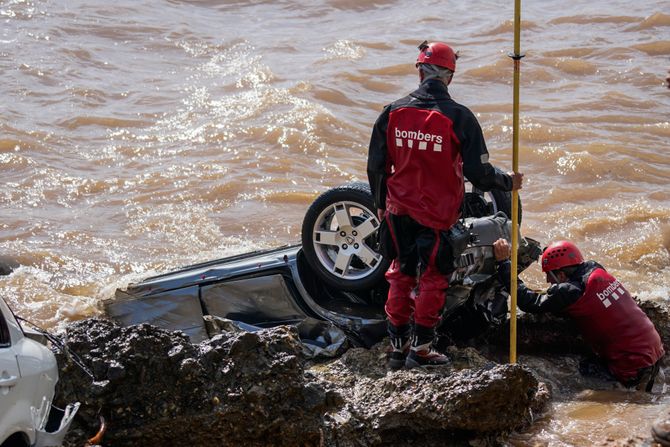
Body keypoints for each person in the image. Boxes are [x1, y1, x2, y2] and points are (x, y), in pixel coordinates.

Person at [367, 41, 523, 369]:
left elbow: (376, 167)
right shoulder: (459, 117)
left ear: (420, 71)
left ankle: (398, 348)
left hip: (397, 210)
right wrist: (508, 181)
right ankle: (421, 350)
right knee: (435, 277)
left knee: (401, 272)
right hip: (437, 216)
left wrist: (381, 205)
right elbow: (479, 175)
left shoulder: (392, 111)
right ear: (449, 76)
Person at [493, 238, 665, 390]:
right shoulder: (596, 270)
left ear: (561, 274)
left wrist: (504, 264)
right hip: (656, 352)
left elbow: (528, 302)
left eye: (549, 276)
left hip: (632, 368)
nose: (547, 281)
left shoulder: (570, 291)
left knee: (580, 374)